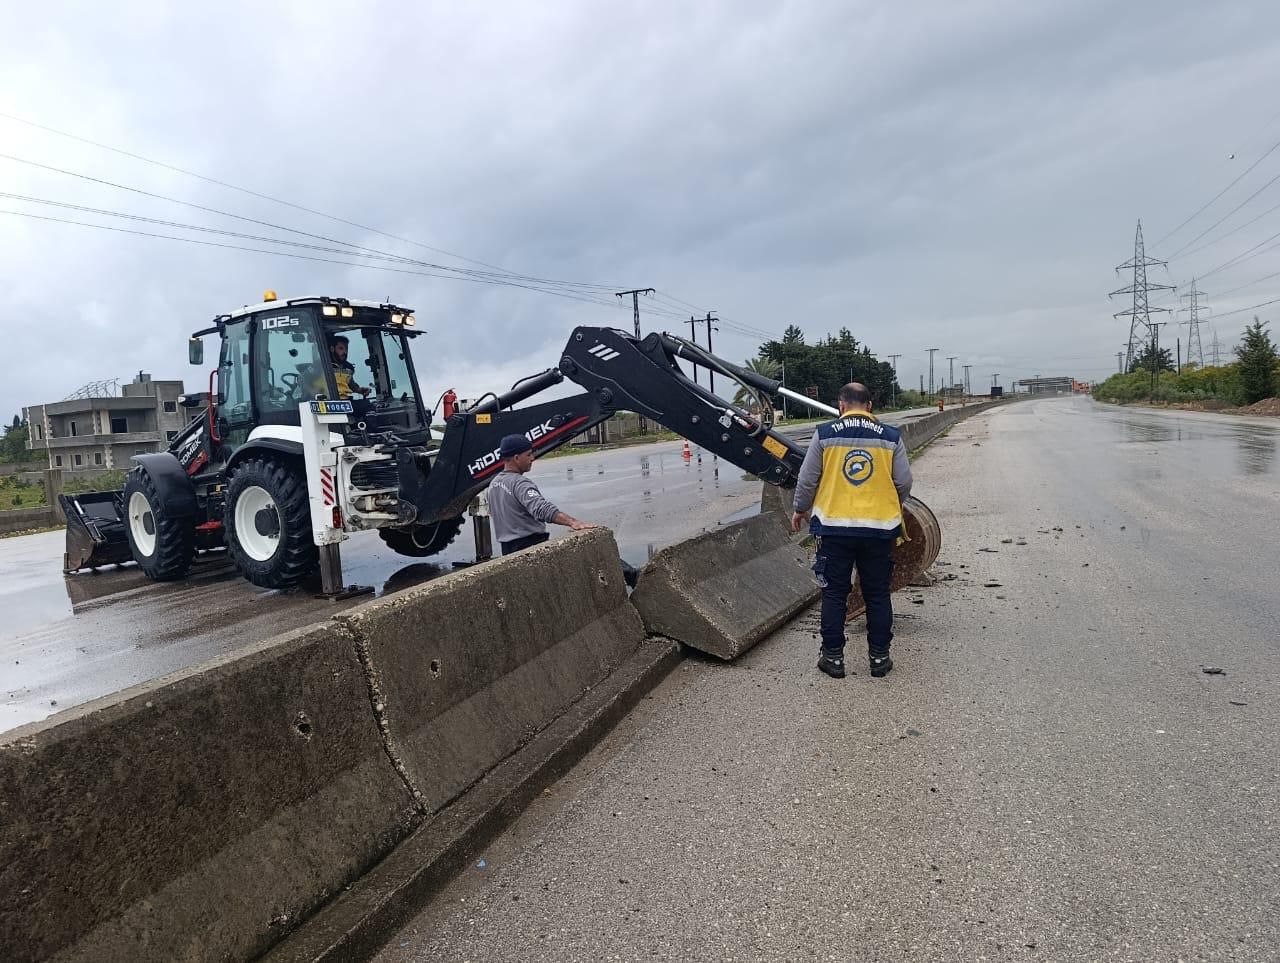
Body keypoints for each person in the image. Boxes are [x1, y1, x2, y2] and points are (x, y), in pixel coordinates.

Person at [790, 383, 913, 680]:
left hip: (834, 529)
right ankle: (879, 658)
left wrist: (800, 508)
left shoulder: (825, 433)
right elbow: (904, 481)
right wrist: (889, 501)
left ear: (841, 405)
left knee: (834, 593)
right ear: (869, 406)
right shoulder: (890, 436)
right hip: (878, 529)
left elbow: (807, 479)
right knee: (877, 594)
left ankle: (833, 658)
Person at [488, 433, 594, 554]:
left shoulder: (493, 484)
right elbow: (541, 508)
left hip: (507, 550)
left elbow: (494, 513)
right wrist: (572, 522)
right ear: (516, 458)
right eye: (528, 454)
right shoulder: (520, 483)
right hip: (529, 546)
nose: (532, 458)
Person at [329, 335, 371, 401]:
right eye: (341, 348)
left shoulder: (349, 368)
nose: (345, 352)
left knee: (368, 404)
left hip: (347, 401)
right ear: (332, 349)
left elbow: (352, 386)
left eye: (346, 349)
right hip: (331, 402)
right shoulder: (325, 366)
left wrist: (361, 390)